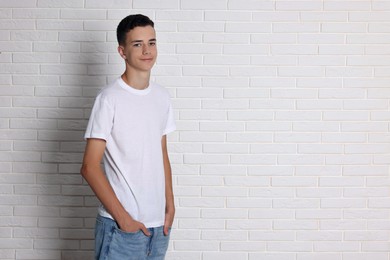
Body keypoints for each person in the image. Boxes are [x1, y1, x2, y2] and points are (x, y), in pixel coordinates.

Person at [80, 14, 176, 260]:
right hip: (121, 229)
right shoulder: (109, 99)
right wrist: (124, 220)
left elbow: (161, 153)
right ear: (122, 51)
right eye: (137, 44)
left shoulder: (162, 97)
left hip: (159, 227)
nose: (147, 50)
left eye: (151, 42)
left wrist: (170, 205)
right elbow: (90, 167)